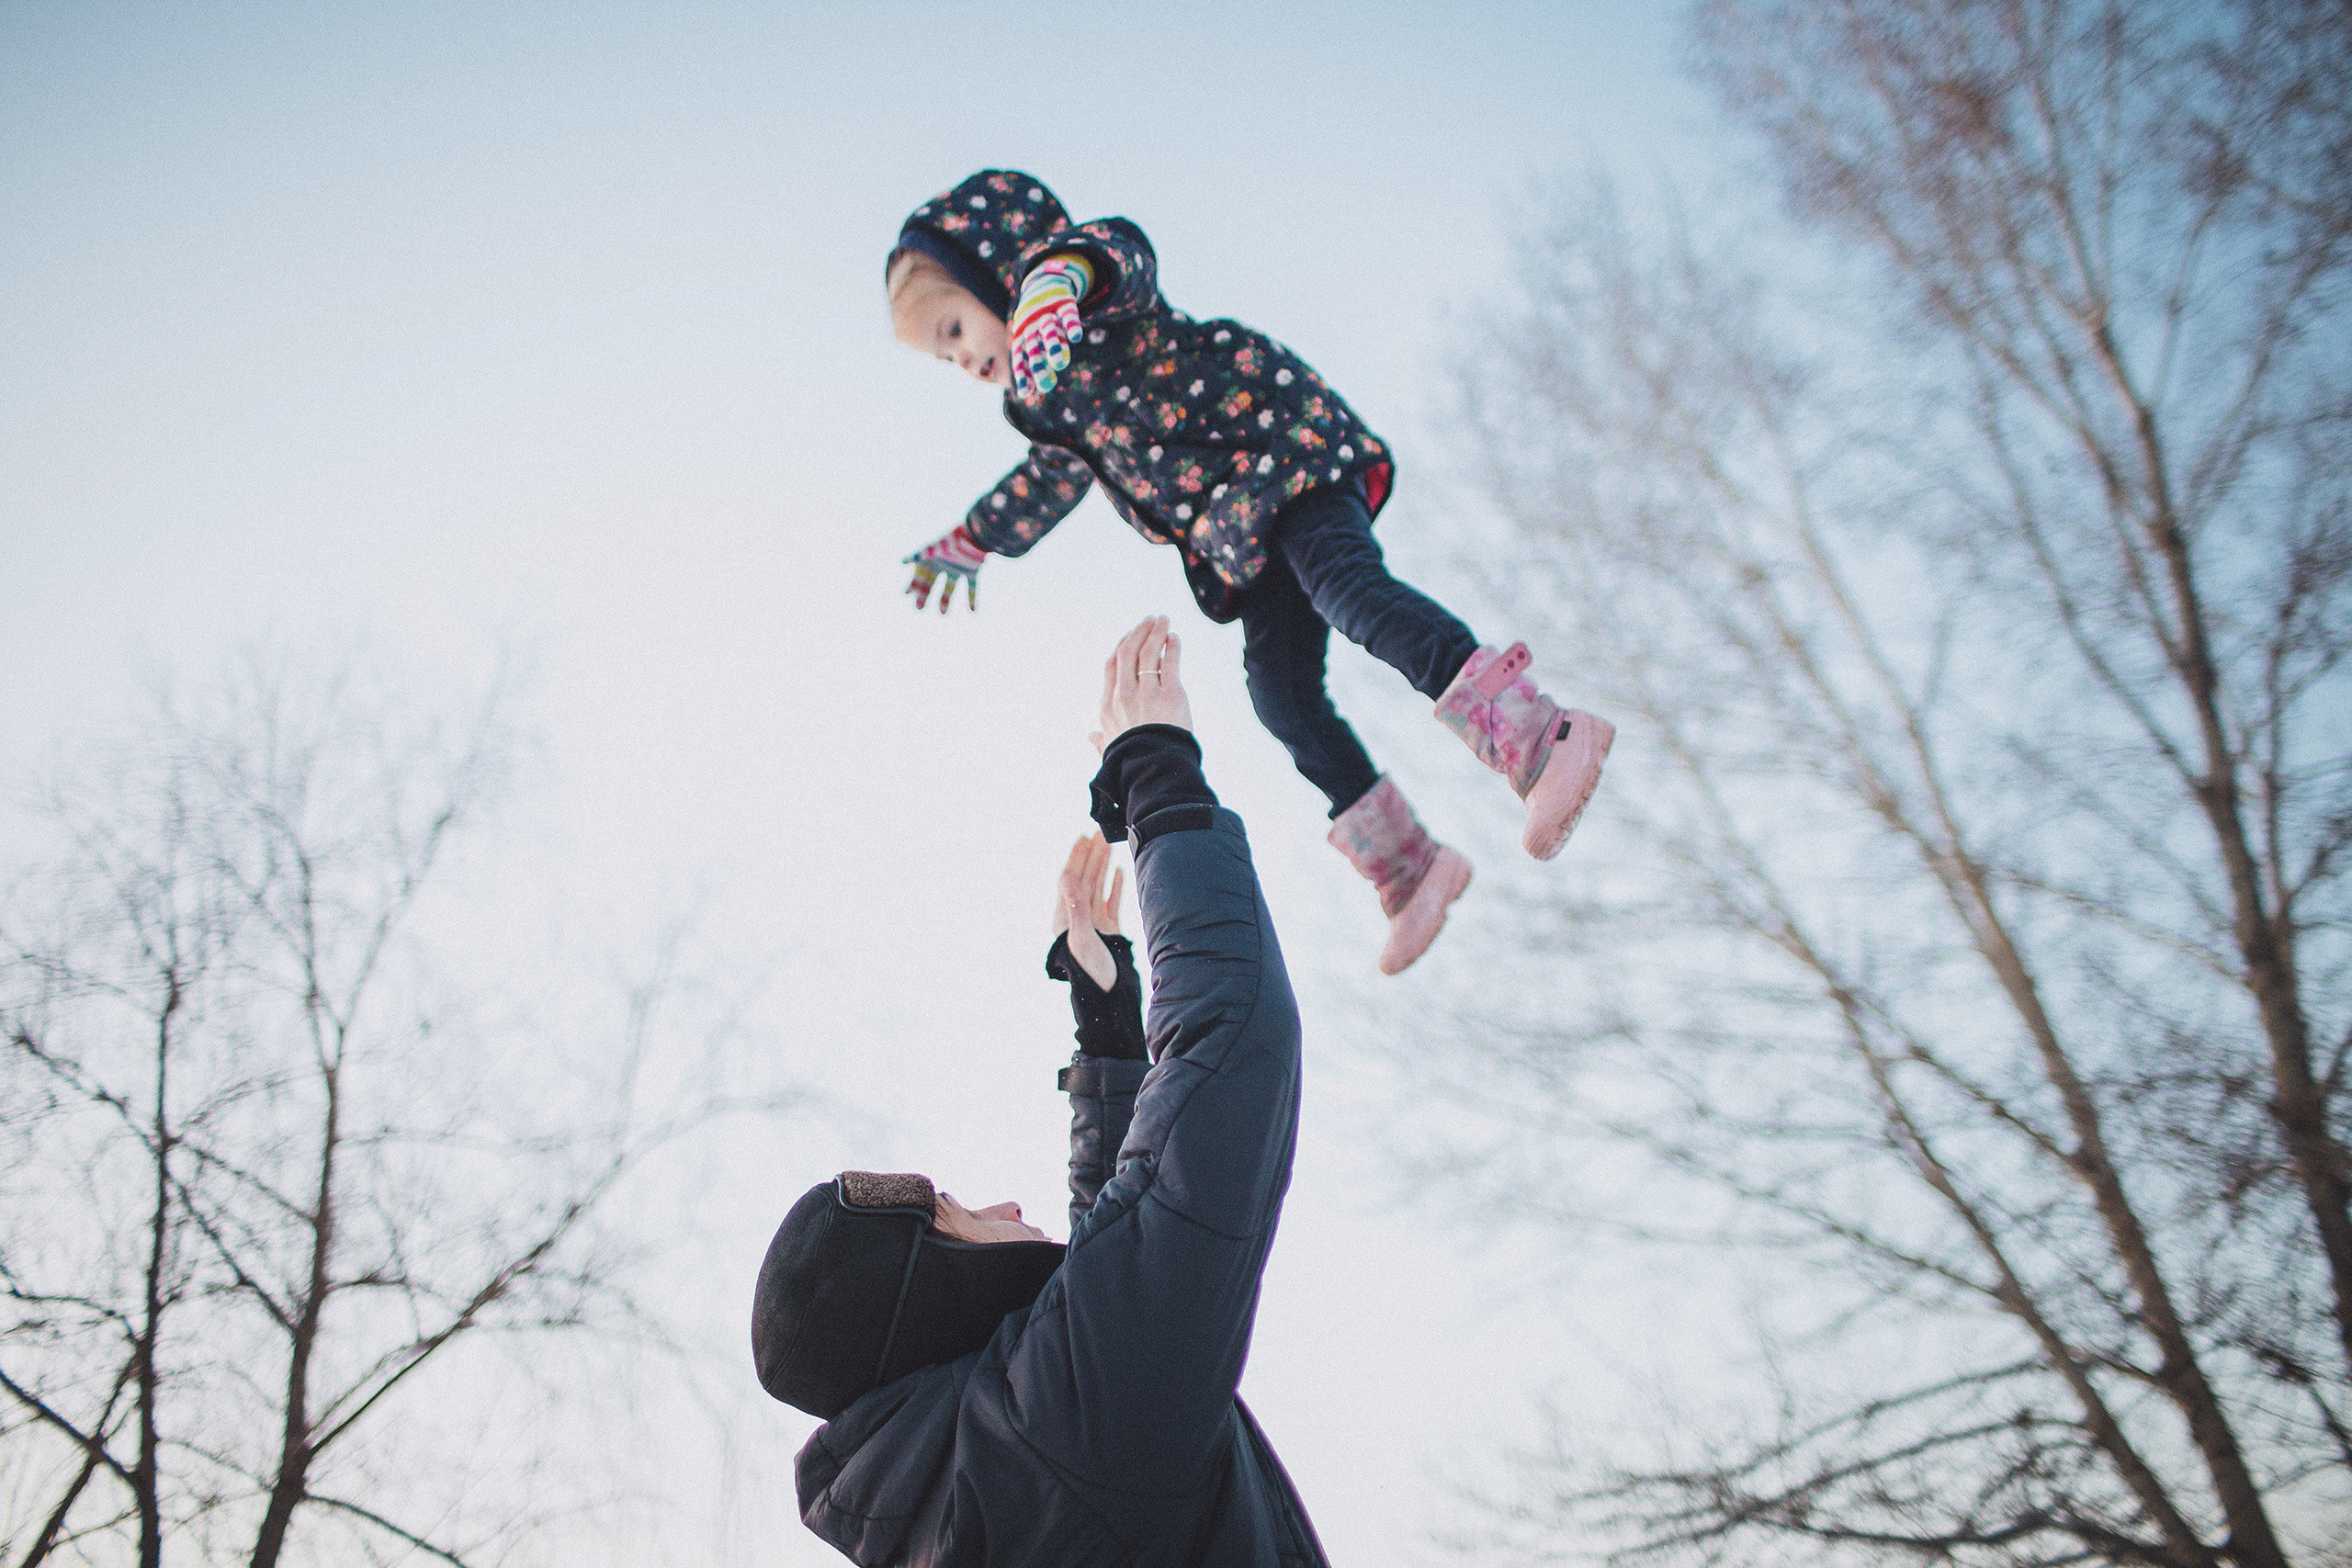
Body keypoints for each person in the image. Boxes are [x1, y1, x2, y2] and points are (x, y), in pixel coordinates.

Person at [886, 169, 1614, 976]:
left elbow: (1123, 255)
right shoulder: (1047, 404)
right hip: (1242, 539)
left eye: (954, 329)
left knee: (1348, 589)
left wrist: (1060, 280)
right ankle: (1412, 867)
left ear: (999, 274)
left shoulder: (1094, 303)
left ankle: (1541, 733)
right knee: (1281, 695)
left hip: (1283, 456)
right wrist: (974, 537)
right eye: (941, 356)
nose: (959, 360)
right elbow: (1048, 482)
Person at [753, 617, 1333, 1566]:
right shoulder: (1056, 1441)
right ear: (920, 1300)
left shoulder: (978, 1491)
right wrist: (1157, 778)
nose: (998, 1203)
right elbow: (1231, 1052)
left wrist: (1105, 1041)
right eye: (952, 1213)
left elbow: (1107, 1286)